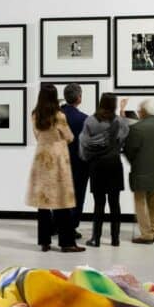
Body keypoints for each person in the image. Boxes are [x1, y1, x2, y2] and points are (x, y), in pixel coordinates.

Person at [26, 84, 85, 253]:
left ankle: (44, 242)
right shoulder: (59, 116)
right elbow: (69, 137)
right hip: (57, 159)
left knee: (43, 202)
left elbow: (37, 135)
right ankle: (67, 243)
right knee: (62, 201)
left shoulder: (35, 114)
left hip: (41, 158)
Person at [79, 93, 129, 247]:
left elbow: (84, 144)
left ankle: (96, 238)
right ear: (114, 104)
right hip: (114, 164)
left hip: (97, 165)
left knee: (99, 203)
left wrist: (88, 157)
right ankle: (115, 239)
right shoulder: (119, 122)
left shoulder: (90, 121)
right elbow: (124, 138)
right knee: (115, 203)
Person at [123, 99, 154, 244]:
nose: (138, 112)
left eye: (139, 110)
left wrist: (134, 162)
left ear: (144, 112)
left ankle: (146, 235)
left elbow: (129, 150)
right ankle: (153, 231)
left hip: (141, 171)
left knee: (140, 203)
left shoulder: (137, 128)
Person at [60, 83, 89, 239]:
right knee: (77, 195)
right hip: (78, 163)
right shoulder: (84, 119)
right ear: (79, 98)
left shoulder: (56, 116)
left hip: (59, 161)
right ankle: (71, 227)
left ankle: (58, 224)